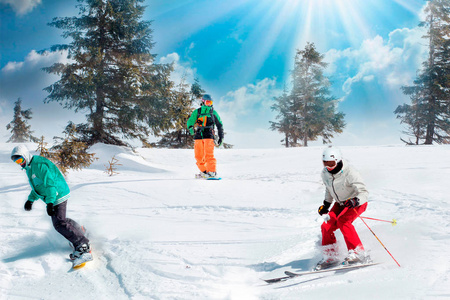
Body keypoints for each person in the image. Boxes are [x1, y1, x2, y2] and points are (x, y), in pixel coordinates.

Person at [11, 145, 91, 261]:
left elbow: (50, 185)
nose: (19, 163)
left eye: (20, 159)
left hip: (57, 194)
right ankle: (80, 230)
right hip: (53, 195)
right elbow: (38, 186)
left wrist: (49, 203)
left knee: (59, 223)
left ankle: (82, 244)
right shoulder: (30, 167)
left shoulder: (38, 165)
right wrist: (31, 199)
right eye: (16, 161)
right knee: (61, 220)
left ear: (25, 156)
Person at [316, 146, 369, 270]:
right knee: (326, 226)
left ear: (338, 160)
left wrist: (355, 200)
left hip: (356, 202)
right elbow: (329, 189)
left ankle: (358, 253)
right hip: (340, 204)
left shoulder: (350, 172)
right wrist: (326, 205)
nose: (328, 166)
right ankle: (331, 256)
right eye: (325, 163)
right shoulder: (325, 173)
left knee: (343, 221)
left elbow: (363, 192)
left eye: (331, 163)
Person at [187, 94, 224, 178]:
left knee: (209, 155)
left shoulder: (213, 113)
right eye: (207, 102)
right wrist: (191, 128)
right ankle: (204, 172)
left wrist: (221, 137)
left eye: (210, 102)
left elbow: (220, 125)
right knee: (198, 156)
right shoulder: (198, 112)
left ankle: (212, 172)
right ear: (203, 102)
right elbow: (190, 121)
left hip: (209, 136)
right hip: (199, 136)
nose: (209, 104)